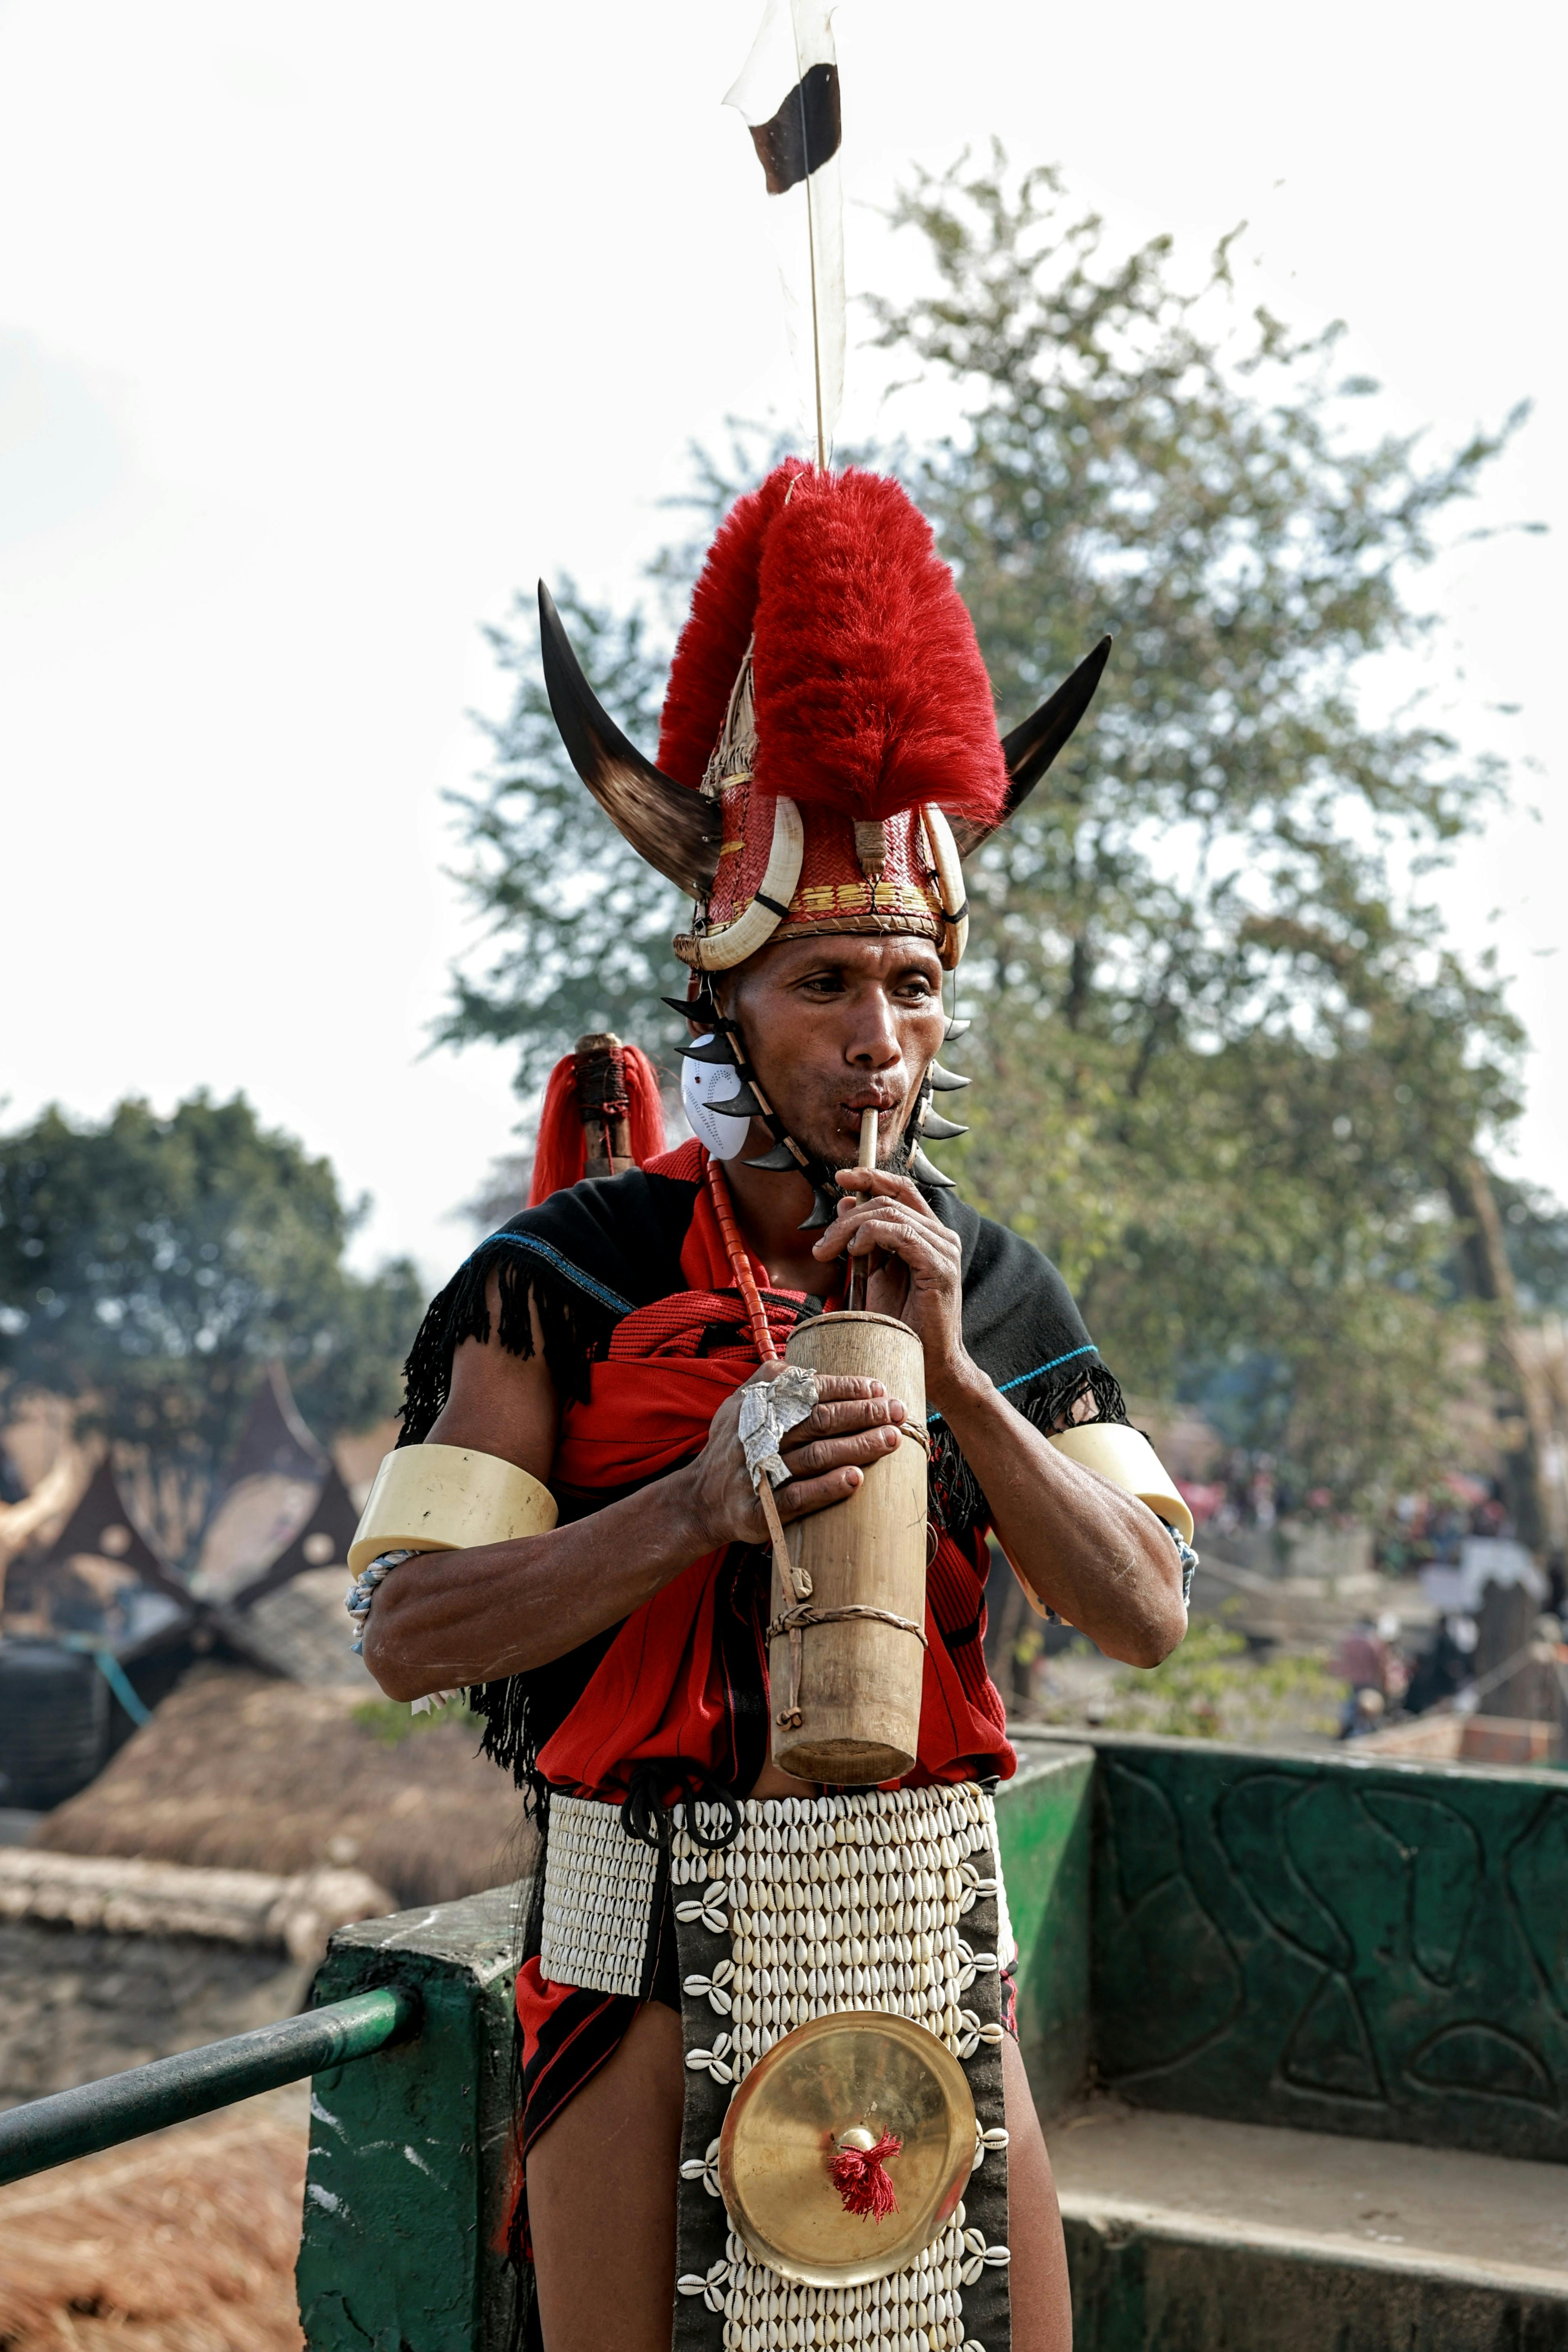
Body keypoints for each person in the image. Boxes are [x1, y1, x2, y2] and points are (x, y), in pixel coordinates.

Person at [355, 461, 1193, 2352]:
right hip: (637, 1951)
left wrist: (963, 1374)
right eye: (825, 981)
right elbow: (407, 1631)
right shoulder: (560, 1273)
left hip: (929, 1943)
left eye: (911, 983)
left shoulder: (1000, 1274)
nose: (879, 1036)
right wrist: (692, 1506)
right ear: (726, 1002)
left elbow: (1146, 1611)